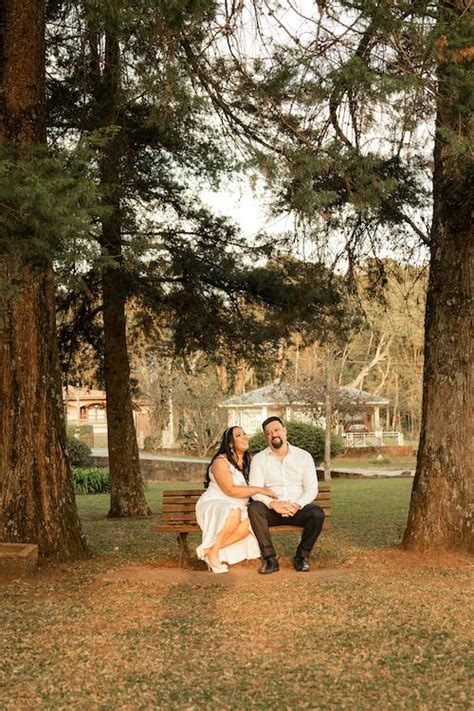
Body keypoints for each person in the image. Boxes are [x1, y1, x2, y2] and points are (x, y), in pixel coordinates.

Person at [195, 426, 277, 573]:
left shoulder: (249, 462)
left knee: (250, 523)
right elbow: (230, 490)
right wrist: (259, 489)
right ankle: (213, 555)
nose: (245, 437)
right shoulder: (221, 462)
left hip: (238, 505)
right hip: (215, 502)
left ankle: (211, 551)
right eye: (239, 435)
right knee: (234, 512)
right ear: (231, 443)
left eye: (245, 434)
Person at [248, 416, 325, 574]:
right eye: (269, 433)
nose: (274, 435)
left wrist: (297, 505)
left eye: (276, 430)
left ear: (284, 431)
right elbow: (255, 490)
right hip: (272, 511)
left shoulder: (303, 456)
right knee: (255, 508)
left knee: (317, 513)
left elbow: (311, 488)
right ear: (266, 437)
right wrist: (273, 504)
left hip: (296, 509)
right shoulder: (259, 459)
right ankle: (270, 560)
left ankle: (301, 557)